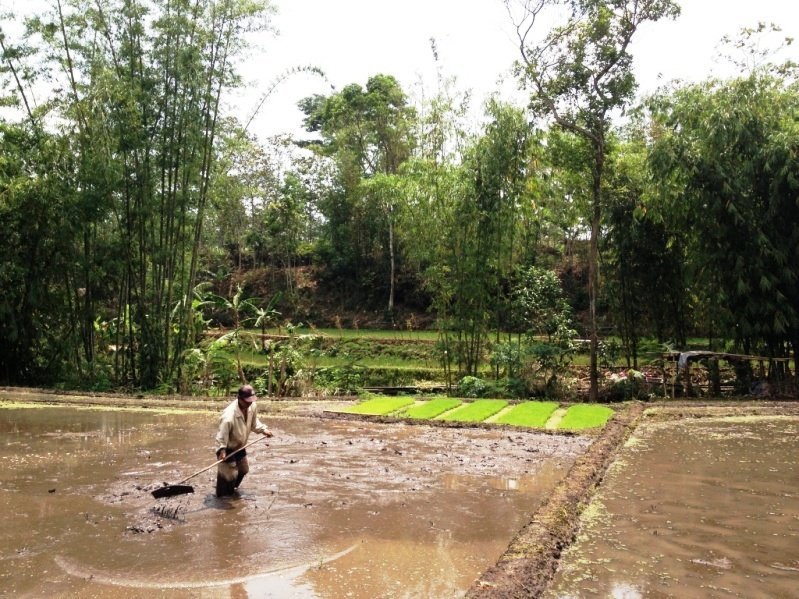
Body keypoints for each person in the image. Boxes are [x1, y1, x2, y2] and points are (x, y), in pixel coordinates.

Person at [215, 384, 272, 497]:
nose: (250, 403)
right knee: (228, 476)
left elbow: (254, 423)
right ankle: (222, 496)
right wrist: (222, 450)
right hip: (227, 447)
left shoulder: (252, 406)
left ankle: (233, 488)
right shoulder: (228, 416)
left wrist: (263, 430)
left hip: (240, 446)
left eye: (251, 400)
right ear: (239, 399)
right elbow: (221, 435)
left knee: (243, 469)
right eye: (247, 401)